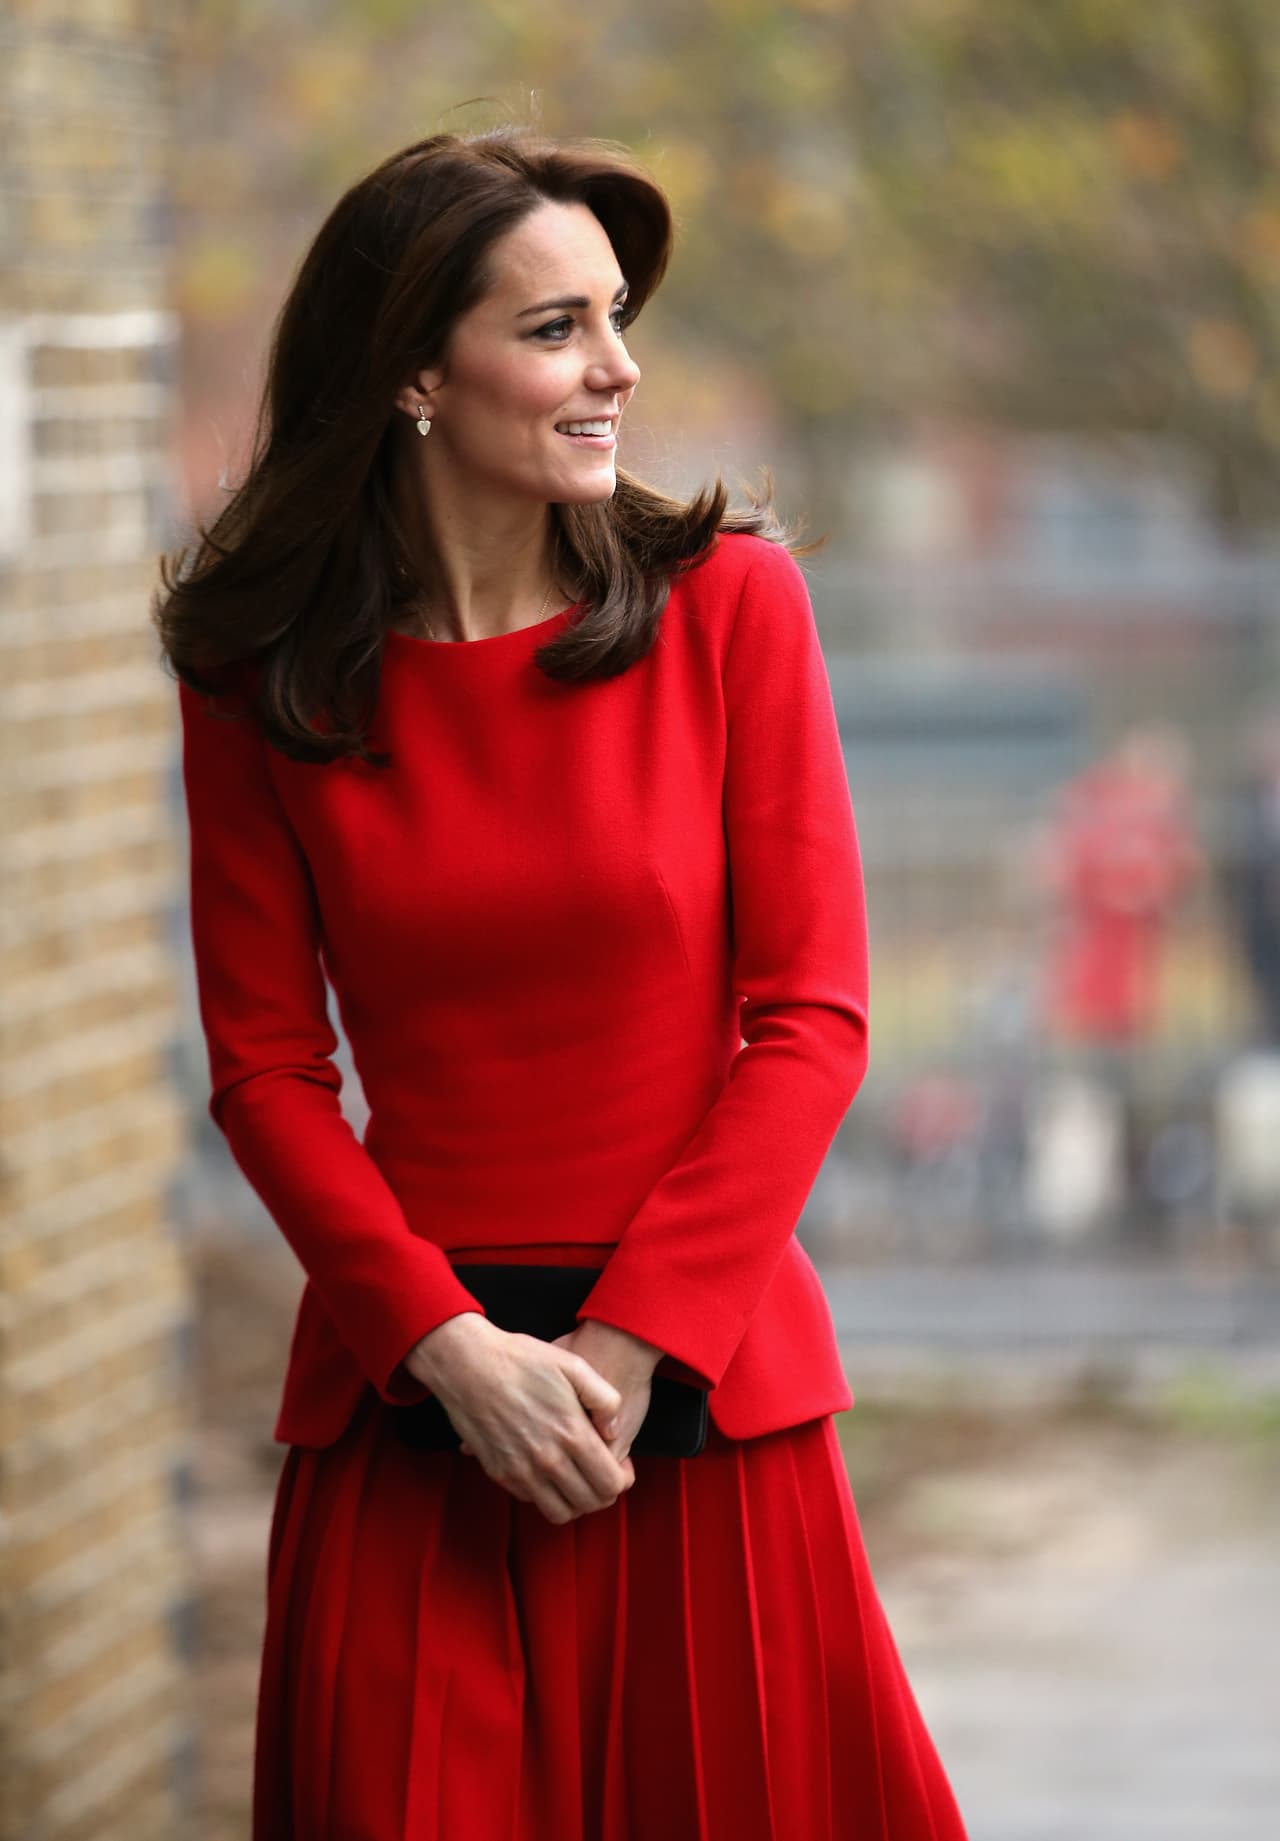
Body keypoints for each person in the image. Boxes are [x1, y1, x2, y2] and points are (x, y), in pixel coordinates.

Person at [156, 125, 969, 1841]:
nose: (622, 366)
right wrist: (451, 1349)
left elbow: (809, 1015)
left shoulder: (734, 607)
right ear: (413, 376)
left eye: (617, 315)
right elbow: (265, 1069)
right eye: (557, 328)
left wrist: (628, 1342)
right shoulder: (260, 675)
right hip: (409, 1420)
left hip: (696, 1419)